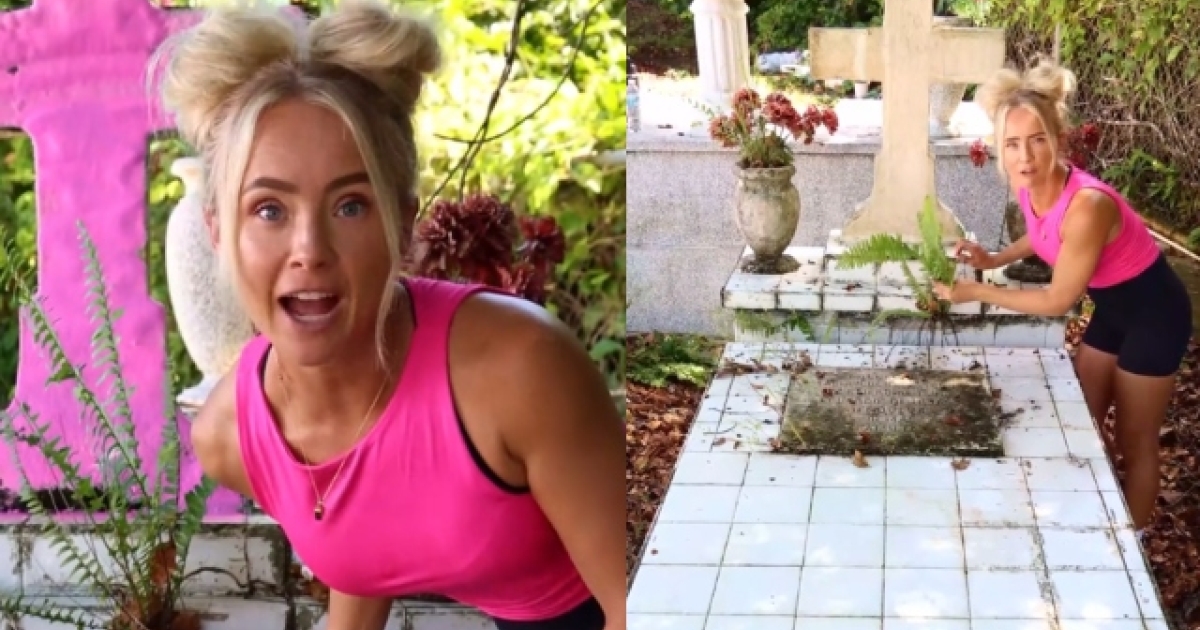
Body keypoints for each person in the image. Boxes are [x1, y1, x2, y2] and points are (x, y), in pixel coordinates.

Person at [150, 2, 625, 629]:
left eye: (350, 205)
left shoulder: (519, 370)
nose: (309, 250)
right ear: (217, 230)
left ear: (402, 225)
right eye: (269, 210)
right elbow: (366, 545)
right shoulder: (229, 437)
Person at [932, 57, 1193, 534]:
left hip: (1155, 315)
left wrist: (977, 290)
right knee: (1081, 421)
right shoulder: (1031, 186)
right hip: (1113, 309)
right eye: (1013, 143)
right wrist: (993, 258)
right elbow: (1041, 233)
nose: (1025, 156)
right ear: (999, 148)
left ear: (1058, 138)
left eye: (1037, 140)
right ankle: (1098, 508)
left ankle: (1129, 545)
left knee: (1135, 441)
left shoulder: (1088, 205)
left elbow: (1056, 300)